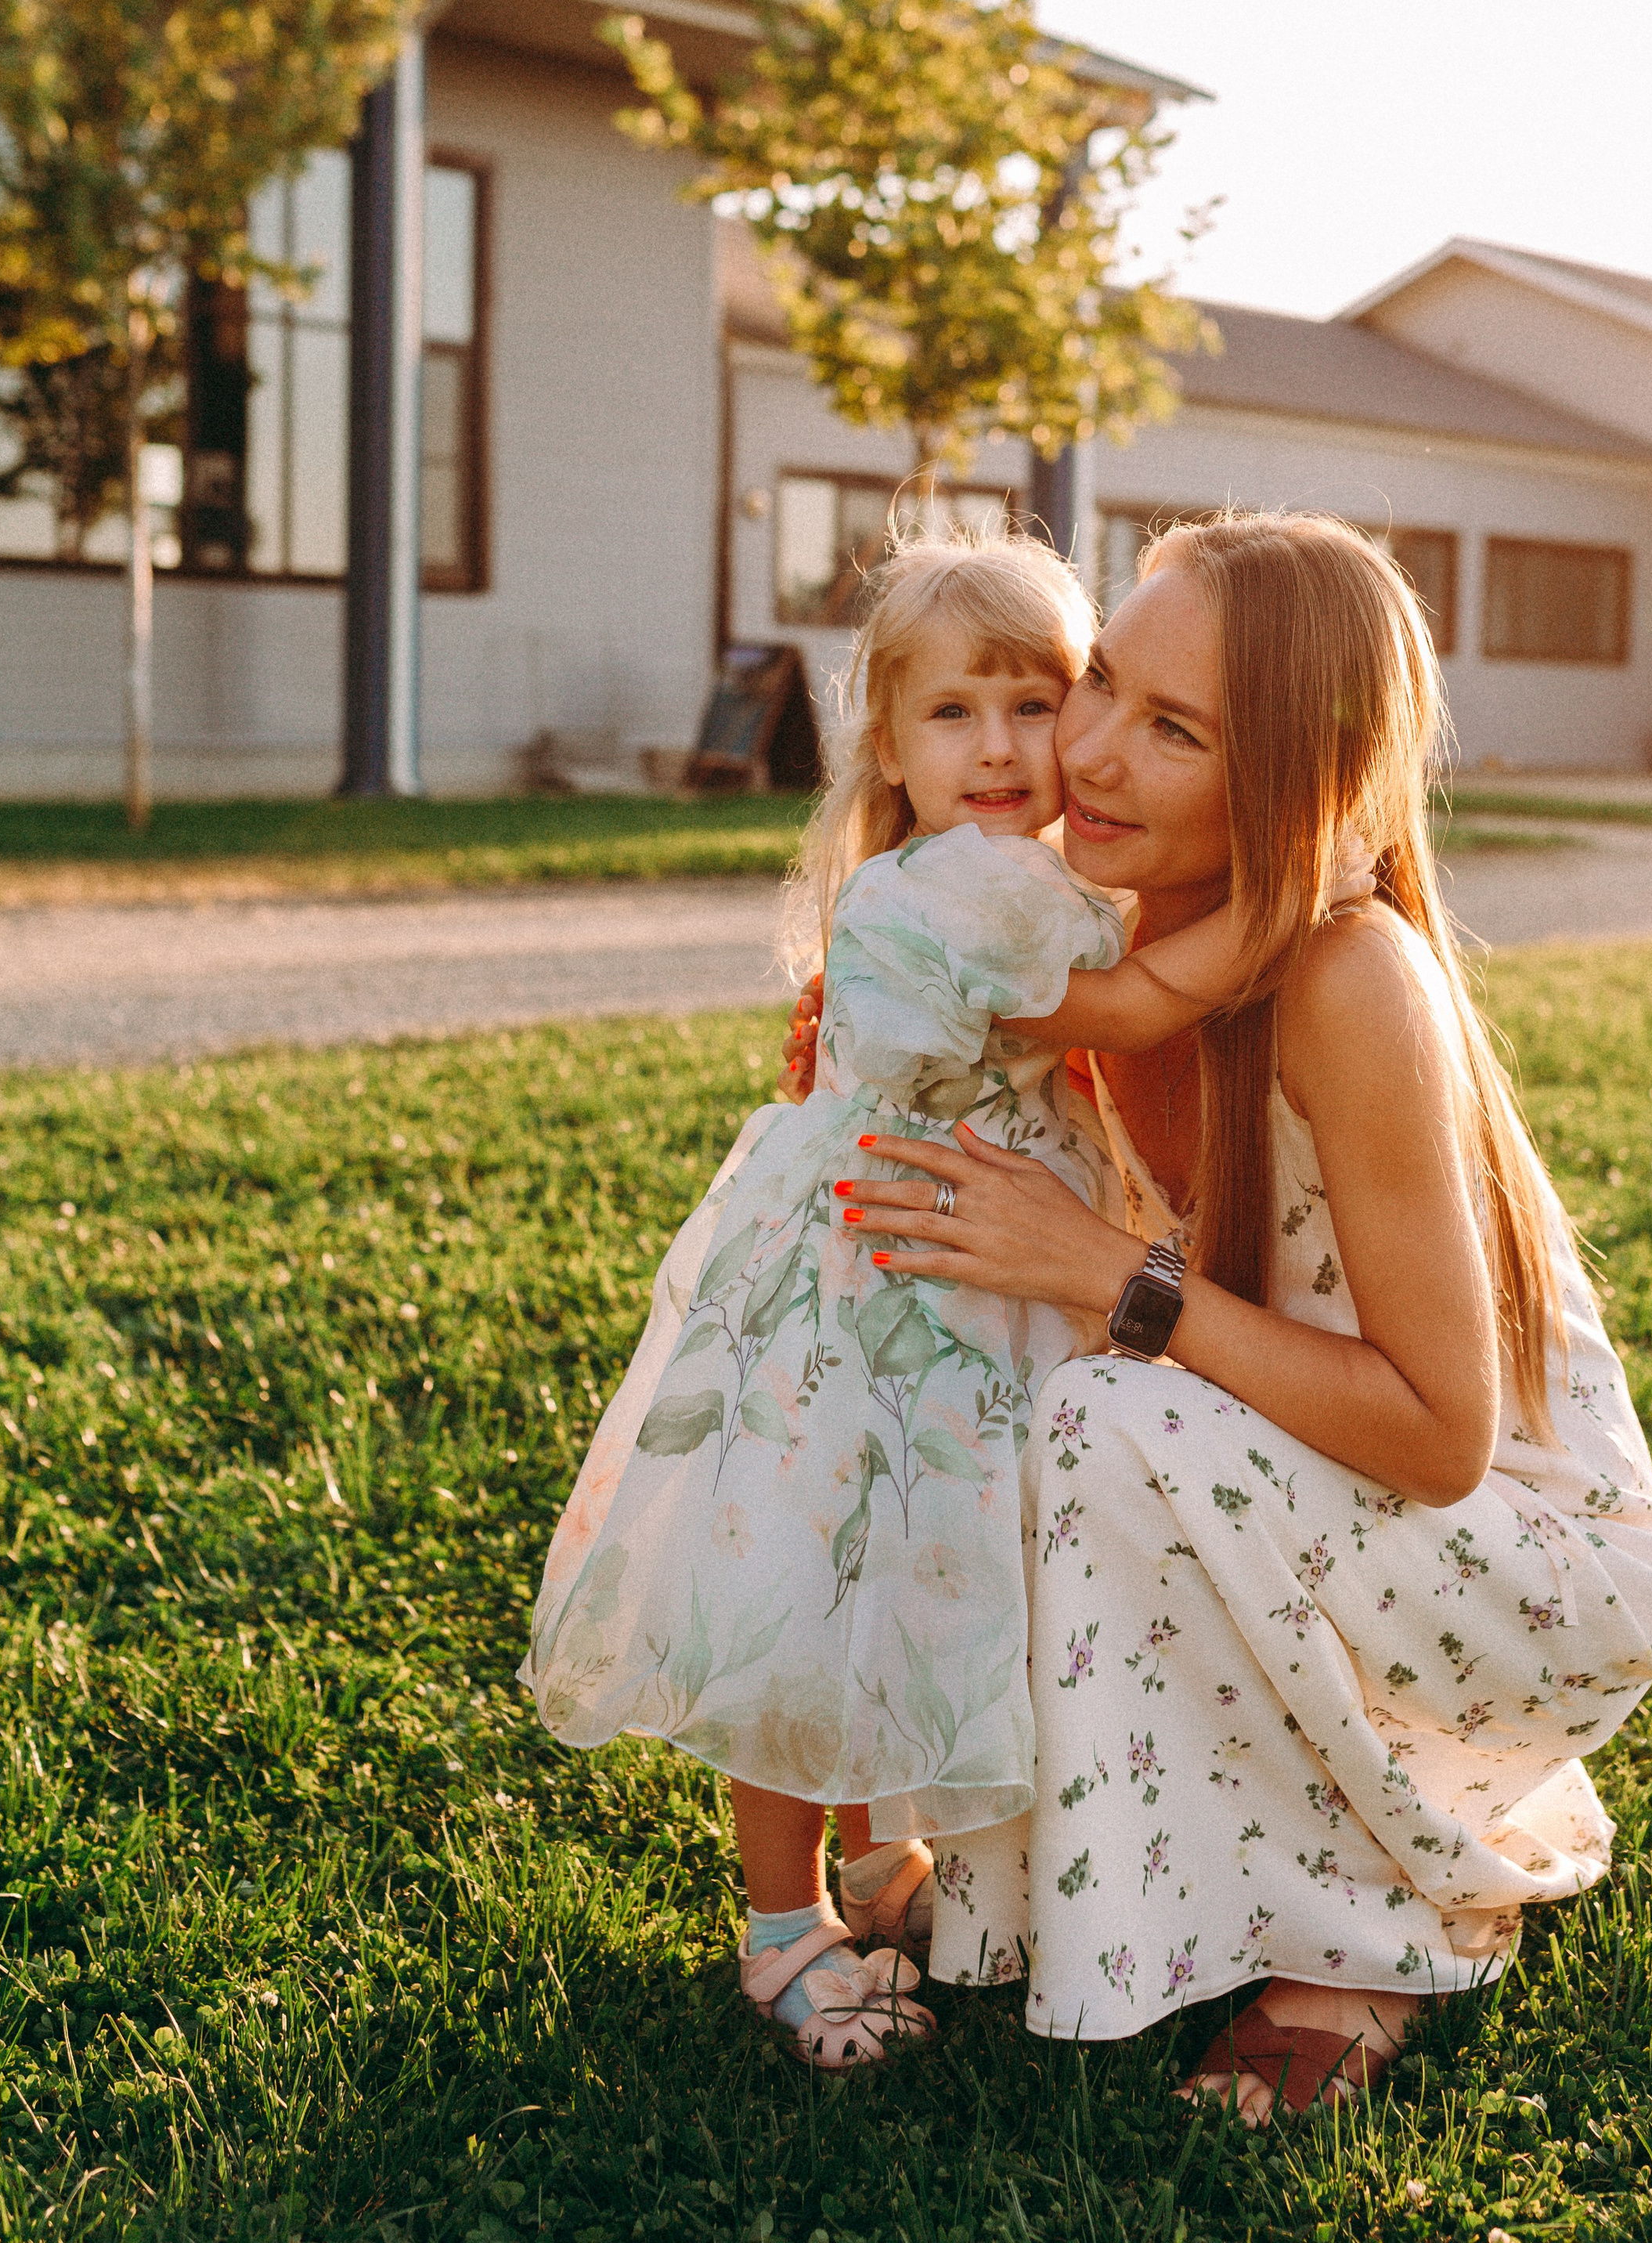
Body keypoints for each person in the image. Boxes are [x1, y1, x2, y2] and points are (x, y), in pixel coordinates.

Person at [824, 511, 1652, 2118]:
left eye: (1171, 731)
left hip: (1518, 1557)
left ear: (1290, 778)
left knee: (1107, 1395)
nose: (1085, 747)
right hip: (1309, 1474)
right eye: (1101, 682)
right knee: (1046, 1393)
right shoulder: (1111, 927)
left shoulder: (1347, 977)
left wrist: (1117, 1283)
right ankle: (1068, 1883)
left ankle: (1357, 1936)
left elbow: (1441, 1438)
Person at [520, 535, 1270, 2069]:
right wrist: (1303, 886)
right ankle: (780, 1919)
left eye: (1032, 701)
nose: (997, 746)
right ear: (886, 740)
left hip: (953, 1274)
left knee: (907, 1566)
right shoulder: (969, 888)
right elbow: (1133, 1000)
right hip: (880, 1295)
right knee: (810, 1593)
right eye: (952, 713)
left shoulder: (990, 876)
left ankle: (877, 1861)